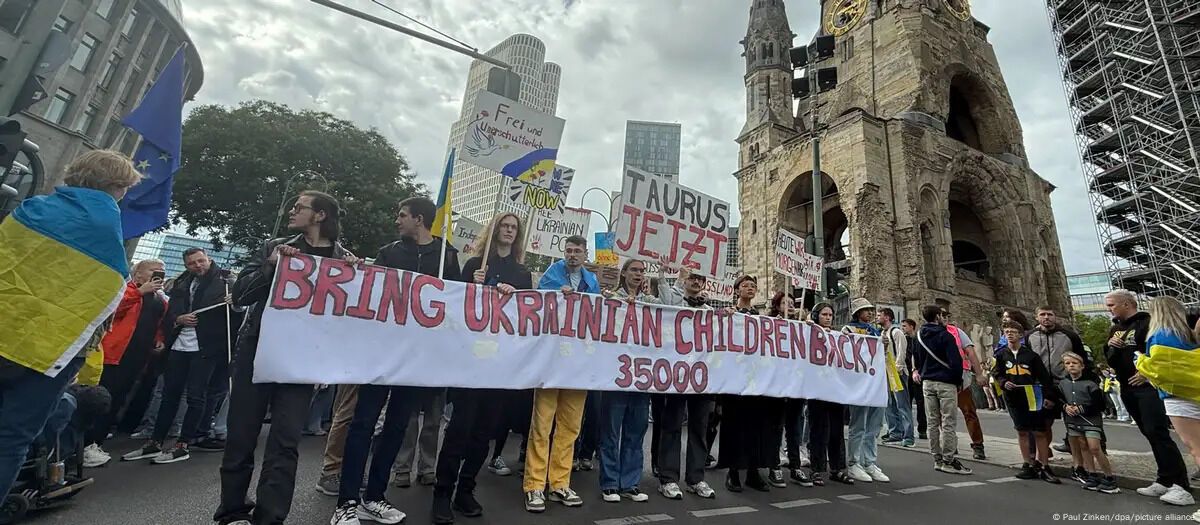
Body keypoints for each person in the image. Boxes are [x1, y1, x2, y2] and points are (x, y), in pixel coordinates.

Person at [0, 150, 141, 499]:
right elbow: (108, 294)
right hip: (50, 354)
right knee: (11, 436)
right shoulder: (107, 228)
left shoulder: (30, 210)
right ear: (118, 187)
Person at [214, 191, 358, 525]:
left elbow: (350, 315)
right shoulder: (273, 247)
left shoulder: (343, 260)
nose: (291, 211)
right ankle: (232, 511)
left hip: (302, 360)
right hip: (257, 349)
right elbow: (241, 295)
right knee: (241, 434)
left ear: (320, 215)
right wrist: (271, 266)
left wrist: (357, 277)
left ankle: (271, 517)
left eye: (299, 207)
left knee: (285, 441)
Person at [330, 196, 460, 525]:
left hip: (417, 359)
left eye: (402, 215)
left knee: (397, 426)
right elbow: (371, 291)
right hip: (381, 353)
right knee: (362, 424)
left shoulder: (447, 256)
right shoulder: (389, 253)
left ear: (420, 219)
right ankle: (346, 501)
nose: (397, 220)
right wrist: (360, 272)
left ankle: (373, 497)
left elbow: (458, 301)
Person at [431, 211, 530, 524]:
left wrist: (515, 297)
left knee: (483, 433)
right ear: (495, 230)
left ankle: (466, 490)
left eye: (514, 227)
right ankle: (442, 494)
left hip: (499, 365)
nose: (509, 231)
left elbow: (527, 312)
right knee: (460, 429)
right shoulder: (475, 265)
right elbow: (457, 306)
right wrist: (472, 285)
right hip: (471, 360)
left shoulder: (522, 273)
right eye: (504, 225)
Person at [121, 247, 236, 465]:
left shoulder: (225, 280)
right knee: (169, 394)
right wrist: (178, 318)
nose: (198, 266)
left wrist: (236, 303)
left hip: (206, 346)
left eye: (201, 261)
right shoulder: (182, 282)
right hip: (180, 343)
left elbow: (236, 312)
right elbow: (171, 308)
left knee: (195, 395)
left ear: (208, 259)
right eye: (192, 263)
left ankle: (183, 444)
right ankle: (155, 441)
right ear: (187, 266)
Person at [522, 234, 597, 513]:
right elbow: (541, 301)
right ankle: (534, 485)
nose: (573, 254)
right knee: (542, 425)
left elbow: (598, 313)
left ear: (585, 253)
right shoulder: (553, 275)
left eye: (577, 250)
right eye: (569, 250)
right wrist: (559, 294)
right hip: (552, 362)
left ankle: (559, 482)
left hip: (578, 364)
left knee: (570, 427)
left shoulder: (592, 281)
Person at [1104, 290, 1192, 505]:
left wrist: (1146, 373)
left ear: (1126, 304)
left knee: (1157, 431)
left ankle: (1181, 484)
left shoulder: (1147, 323)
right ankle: (1164, 478)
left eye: (1112, 305)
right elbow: (1111, 361)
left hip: (1148, 387)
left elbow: (1158, 352)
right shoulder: (1116, 329)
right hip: (1127, 386)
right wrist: (1111, 348)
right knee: (1148, 432)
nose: (1109, 309)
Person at [599, 259, 676, 503]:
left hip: (643, 377)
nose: (638, 274)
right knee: (611, 431)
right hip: (618, 375)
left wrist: (662, 275)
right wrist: (617, 302)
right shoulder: (612, 297)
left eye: (642, 271)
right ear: (623, 273)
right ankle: (610, 483)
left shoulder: (649, 302)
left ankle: (630, 483)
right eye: (634, 270)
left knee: (635, 432)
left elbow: (667, 308)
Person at [83, 258, 170, 467]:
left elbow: (159, 324)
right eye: (153, 270)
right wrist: (139, 292)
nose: (158, 274)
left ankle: (97, 441)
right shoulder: (126, 290)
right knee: (102, 396)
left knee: (118, 398)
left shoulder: (160, 300)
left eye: (161, 271)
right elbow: (113, 310)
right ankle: (86, 442)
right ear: (138, 273)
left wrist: (159, 339)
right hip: (113, 354)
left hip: (138, 358)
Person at [718, 276, 786, 491]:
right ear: (737, 290)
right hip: (735, 380)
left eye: (753, 286)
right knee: (735, 425)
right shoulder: (730, 313)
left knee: (758, 427)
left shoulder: (760, 317)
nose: (750, 288)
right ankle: (733, 472)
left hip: (756, 381)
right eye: (745, 285)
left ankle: (753, 472)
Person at [656, 267, 717, 499]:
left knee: (699, 429)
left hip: (701, 377)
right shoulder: (675, 302)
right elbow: (664, 297)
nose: (696, 282)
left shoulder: (708, 310)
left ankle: (696, 478)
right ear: (685, 281)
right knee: (671, 426)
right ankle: (668, 478)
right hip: (677, 375)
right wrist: (665, 274)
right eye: (692, 277)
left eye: (700, 279)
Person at [1136, 296, 1199, 507]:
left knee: (1196, 448)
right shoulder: (1189, 333)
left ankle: (1186, 494)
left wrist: (1140, 361)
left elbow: (1162, 369)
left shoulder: (1161, 335)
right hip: (1195, 391)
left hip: (1178, 396)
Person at [994, 322, 1061, 484]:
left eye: (1013, 332)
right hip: (1013, 397)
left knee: (1039, 431)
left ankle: (1044, 466)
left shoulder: (1031, 356)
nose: (1009, 334)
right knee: (1022, 431)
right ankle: (1028, 464)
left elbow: (1044, 378)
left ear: (1021, 335)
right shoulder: (1002, 355)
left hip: (1032, 395)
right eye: (1006, 332)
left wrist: (1049, 397)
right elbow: (997, 373)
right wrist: (1003, 383)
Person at [911, 305, 972, 475]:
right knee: (948, 422)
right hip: (945, 382)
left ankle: (936, 458)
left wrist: (921, 372)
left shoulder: (919, 336)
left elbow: (916, 356)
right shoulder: (945, 335)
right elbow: (955, 362)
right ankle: (948, 460)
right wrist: (958, 380)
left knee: (932, 422)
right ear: (937, 316)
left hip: (927, 382)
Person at [1029, 306, 1089, 457]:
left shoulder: (1069, 336)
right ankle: (1043, 454)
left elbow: (1082, 358)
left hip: (1065, 383)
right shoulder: (1030, 336)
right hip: (1042, 384)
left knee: (1075, 420)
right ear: (1037, 317)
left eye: (1050, 314)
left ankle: (1081, 452)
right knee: (1044, 422)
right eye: (1043, 314)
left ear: (1055, 316)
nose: (1046, 317)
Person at [804, 301, 851, 485]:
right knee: (818, 431)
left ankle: (837, 468)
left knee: (836, 431)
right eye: (824, 314)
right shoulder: (810, 332)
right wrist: (809, 325)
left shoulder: (838, 336)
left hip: (836, 389)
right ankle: (816, 469)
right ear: (816, 316)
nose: (828, 318)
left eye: (830, 315)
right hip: (817, 389)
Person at [843, 299, 889, 483]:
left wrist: (883, 345)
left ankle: (869, 461)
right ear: (857, 313)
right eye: (865, 310)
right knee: (858, 424)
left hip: (875, 382)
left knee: (874, 426)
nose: (870, 313)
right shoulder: (848, 330)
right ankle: (854, 462)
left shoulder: (875, 332)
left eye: (871, 310)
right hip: (859, 383)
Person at [1059, 352, 1119, 493]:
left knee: (1094, 447)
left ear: (1082, 366)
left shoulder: (1091, 383)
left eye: (1074, 363)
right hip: (1073, 420)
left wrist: (1082, 408)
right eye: (1067, 363)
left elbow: (1099, 403)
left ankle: (1109, 477)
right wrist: (1065, 407)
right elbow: (1059, 399)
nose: (1071, 366)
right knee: (1082, 445)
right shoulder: (1063, 383)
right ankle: (1091, 474)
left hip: (1090, 420)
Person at [942, 309, 989, 460]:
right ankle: (950, 444)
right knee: (944, 414)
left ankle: (978, 445)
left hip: (961, 376)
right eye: (941, 315)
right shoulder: (929, 333)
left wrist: (979, 373)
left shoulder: (956, 332)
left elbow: (971, 352)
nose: (943, 318)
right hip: (941, 377)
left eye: (945, 315)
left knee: (968, 411)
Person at [880, 308, 915, 448]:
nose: (877, 317)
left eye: (879, 315)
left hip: (897, 372)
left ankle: (908, 436)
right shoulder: (883, 333)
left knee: (902, 404)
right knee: (889, 404)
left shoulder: (896, 332)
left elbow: (902, 350)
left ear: (887, 317)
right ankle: (895, 432)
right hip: (887, 372)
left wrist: (899, 367)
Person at [901, 319, 927, 439]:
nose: (903, 328)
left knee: (920, 403)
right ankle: (906, 428)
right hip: (906, 374)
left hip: (917, 375)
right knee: (906, 403)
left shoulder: (918, 340)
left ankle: (922, 429)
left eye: (905, 326)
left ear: (912, 327)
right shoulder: (904, 340)